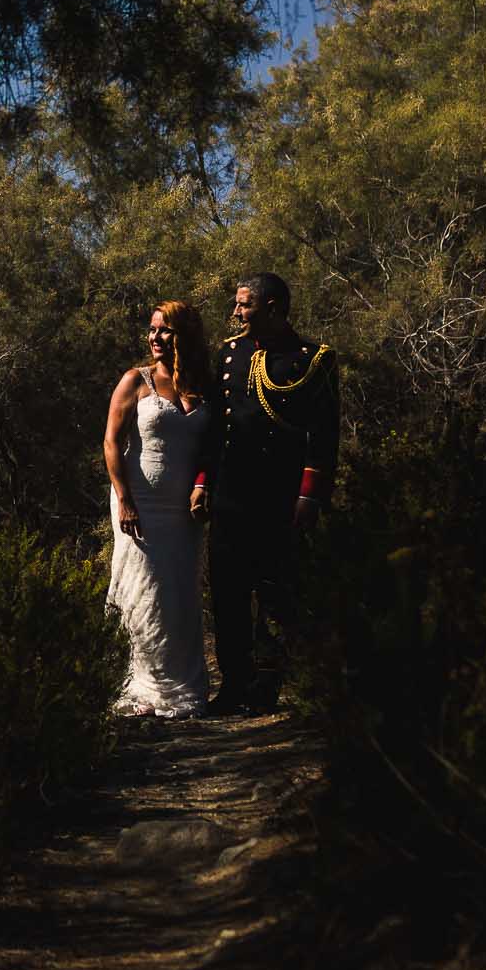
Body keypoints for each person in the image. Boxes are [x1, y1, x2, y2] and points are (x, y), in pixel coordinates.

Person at [190, 273, 339, 716]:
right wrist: (202, 480)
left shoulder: (315, 359)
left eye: (244, 305)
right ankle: (234, 683)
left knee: (277, 590)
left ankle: (269, 684)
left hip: (281, 494)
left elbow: (324, 435)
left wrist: (309, 497)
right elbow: (216, 426)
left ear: (272, 307)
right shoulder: (232, 353)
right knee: (228, 591)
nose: (236, 313)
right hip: (232, 492)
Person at [103, 300, 215, 717]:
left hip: (184, 510)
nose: (154, 337)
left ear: (184, 334)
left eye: (164, 330)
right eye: (152, 329)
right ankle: (140, 686)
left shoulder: (203, 385)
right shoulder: (136, 380)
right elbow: (111, 442)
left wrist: (203, 487)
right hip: (141, 504)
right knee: (142, 589)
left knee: (180, 592)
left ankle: (182, 686)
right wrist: (125, 498)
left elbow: (211, 448)